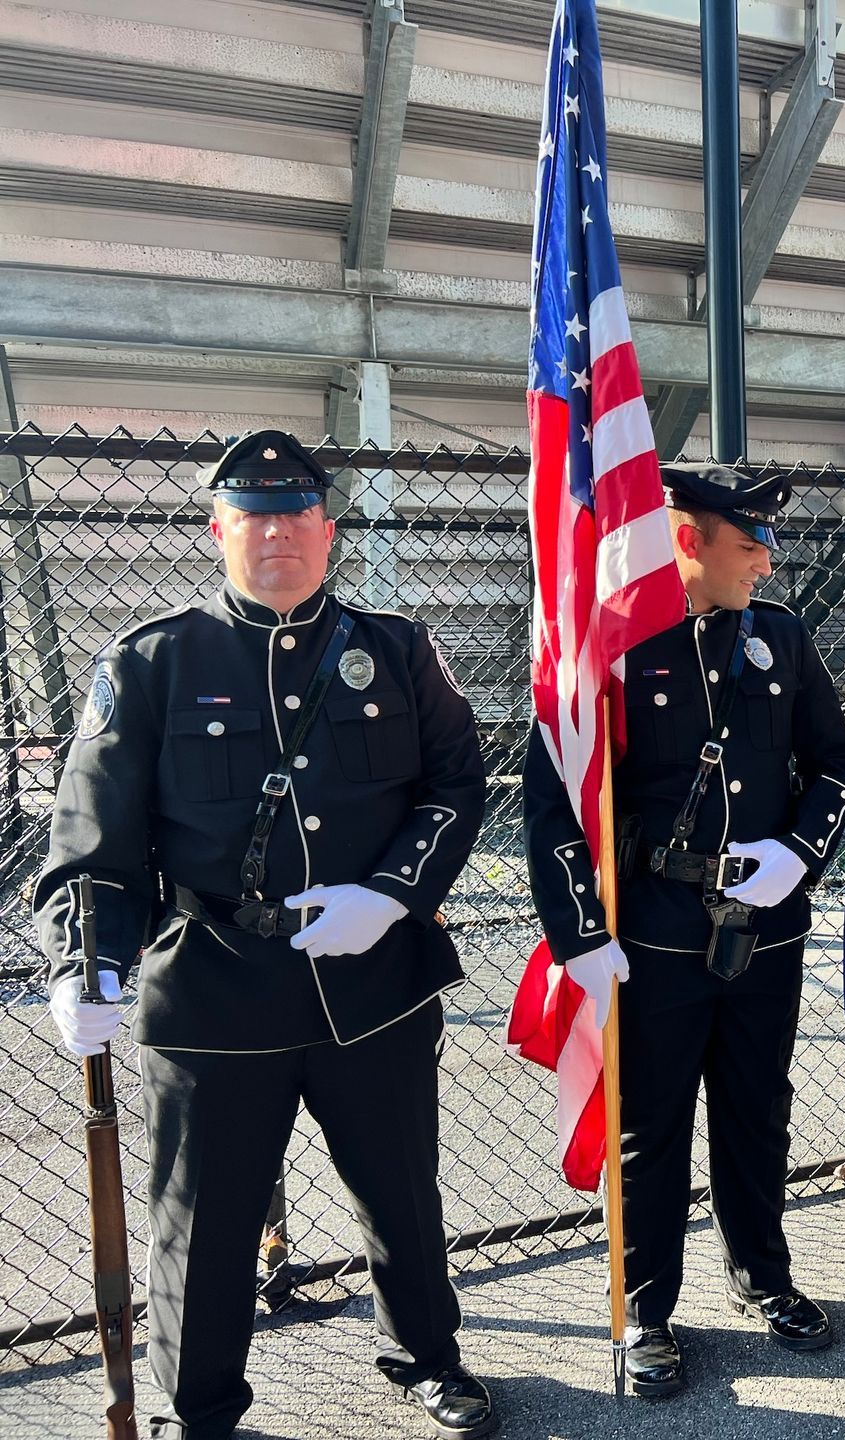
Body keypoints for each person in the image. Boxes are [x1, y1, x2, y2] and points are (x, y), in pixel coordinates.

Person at [35, 430, 495, 1439]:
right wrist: (88, 958)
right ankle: (197, 1406)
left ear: (327, 530)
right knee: (202, 1223)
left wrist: (393, 894)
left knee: (401, 1194)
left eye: (296, 513)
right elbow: (94, 829)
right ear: (218, 530)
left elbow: (457, 787)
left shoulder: (401, 649)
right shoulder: (152, 661)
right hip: (212, 991)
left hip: (373, 980)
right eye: (253, 516)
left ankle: (428, 1357)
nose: (276, 532)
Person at [522, 462, 845, 1397]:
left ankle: (762, 1273)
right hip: (657, 927)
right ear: (688, 540)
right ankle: (645, 1308)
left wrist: (801, 851)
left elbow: (834, 768)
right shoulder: (612, 642)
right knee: (652, 1126)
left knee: (758, 1111)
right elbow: (553, 793)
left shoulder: (782, 641)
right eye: (749, 546)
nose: (765, 565)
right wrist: (581, 932)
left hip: (766, 927)